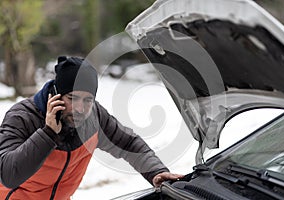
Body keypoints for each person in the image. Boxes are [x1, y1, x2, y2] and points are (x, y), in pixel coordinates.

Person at [0, 56, 183, 200]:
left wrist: (156, 172)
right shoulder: (23, 117)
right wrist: (47, 133)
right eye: (72, 98)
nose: (80, 108)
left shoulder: (93, 117)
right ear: (55, 95)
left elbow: (128, 143)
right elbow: (8, 175)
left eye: (88, 100)